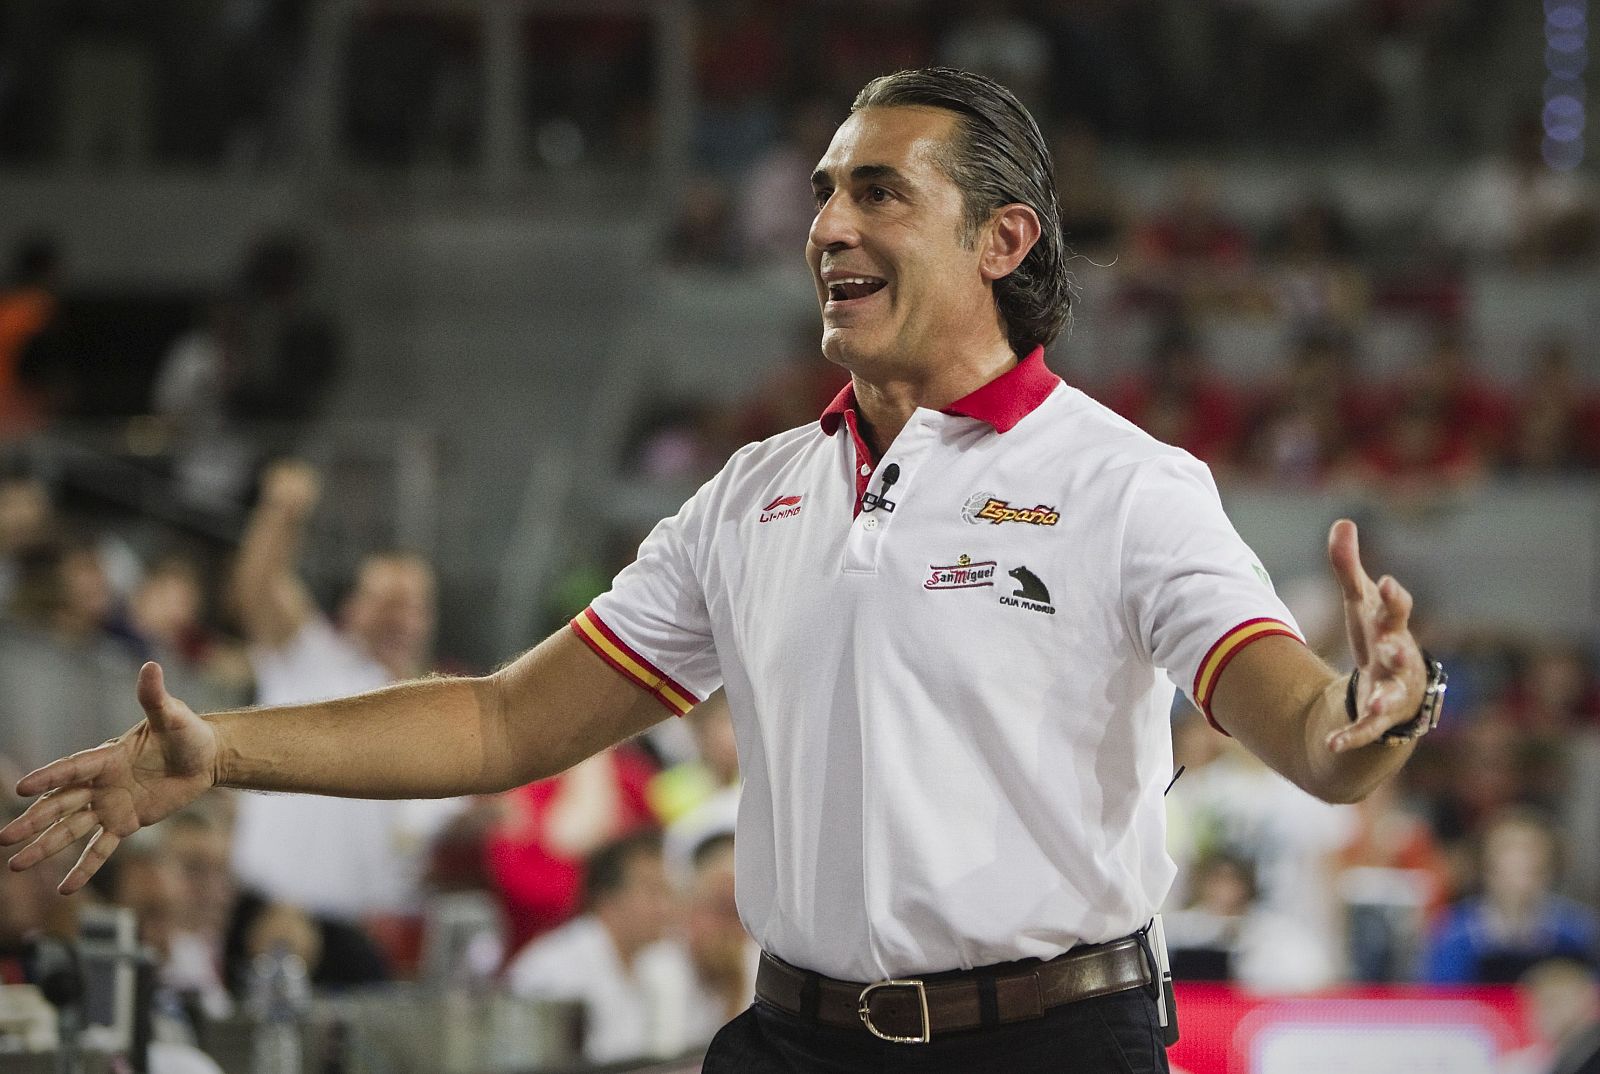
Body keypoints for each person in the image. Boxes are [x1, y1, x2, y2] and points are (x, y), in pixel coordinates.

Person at [2, 69, 1444, 1073]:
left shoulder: (1128, 484)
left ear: (1004, 240)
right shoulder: (750, 495)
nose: (827, 228)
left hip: (1054, 1046)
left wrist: (1367, 715)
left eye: (880, 194)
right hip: (792, 1041)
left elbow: (1308, 730)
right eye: (823, 194)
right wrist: (217, 752)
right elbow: (505, 720)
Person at [223, 459, 461, 925]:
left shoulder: (440, 711)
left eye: (413, 606)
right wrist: (281, 511)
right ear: (352, 608)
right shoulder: (312, 662)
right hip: (267, 910)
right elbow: (258, 586)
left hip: (363, 933)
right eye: (387, 603)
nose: (400, 618)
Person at [504, 830, 693, 1064]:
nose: (665, 907)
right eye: (652, 891)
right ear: (607, 898)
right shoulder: (555, 969)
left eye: (667, 892)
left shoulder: (656, 963)